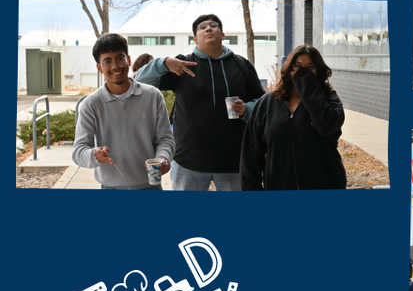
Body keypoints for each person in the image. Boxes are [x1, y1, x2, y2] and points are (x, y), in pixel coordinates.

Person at [137, 12, 265, 191]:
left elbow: (262, 102)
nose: (208, 28)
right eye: (202, 27)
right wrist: (164, 63)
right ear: (195, 39)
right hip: (187, 161)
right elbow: (139, 83)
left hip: (233, 161)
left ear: (222, 35)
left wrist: (246, 109)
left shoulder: (241, 65)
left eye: (214, 25)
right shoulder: (183, 64)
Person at [72, 34, 174, 190]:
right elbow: (79, 151)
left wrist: (163, 157)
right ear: (99, 68)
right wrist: (94, 154)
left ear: (129, 60)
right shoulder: (91, 104)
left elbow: (165, 139)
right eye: (107, 61)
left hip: (151, 186)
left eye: (120, 59)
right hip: (110, 188)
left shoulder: (153, 96)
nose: (115, 66)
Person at [240, 45, 346, 190]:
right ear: (289, 70)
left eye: (310, 67)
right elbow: (251, 153)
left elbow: (326, 126)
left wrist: (307, 86)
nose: (303, 72)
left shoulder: (330, 101)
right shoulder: (268, 103)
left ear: (318, 71)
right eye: (297, 66)